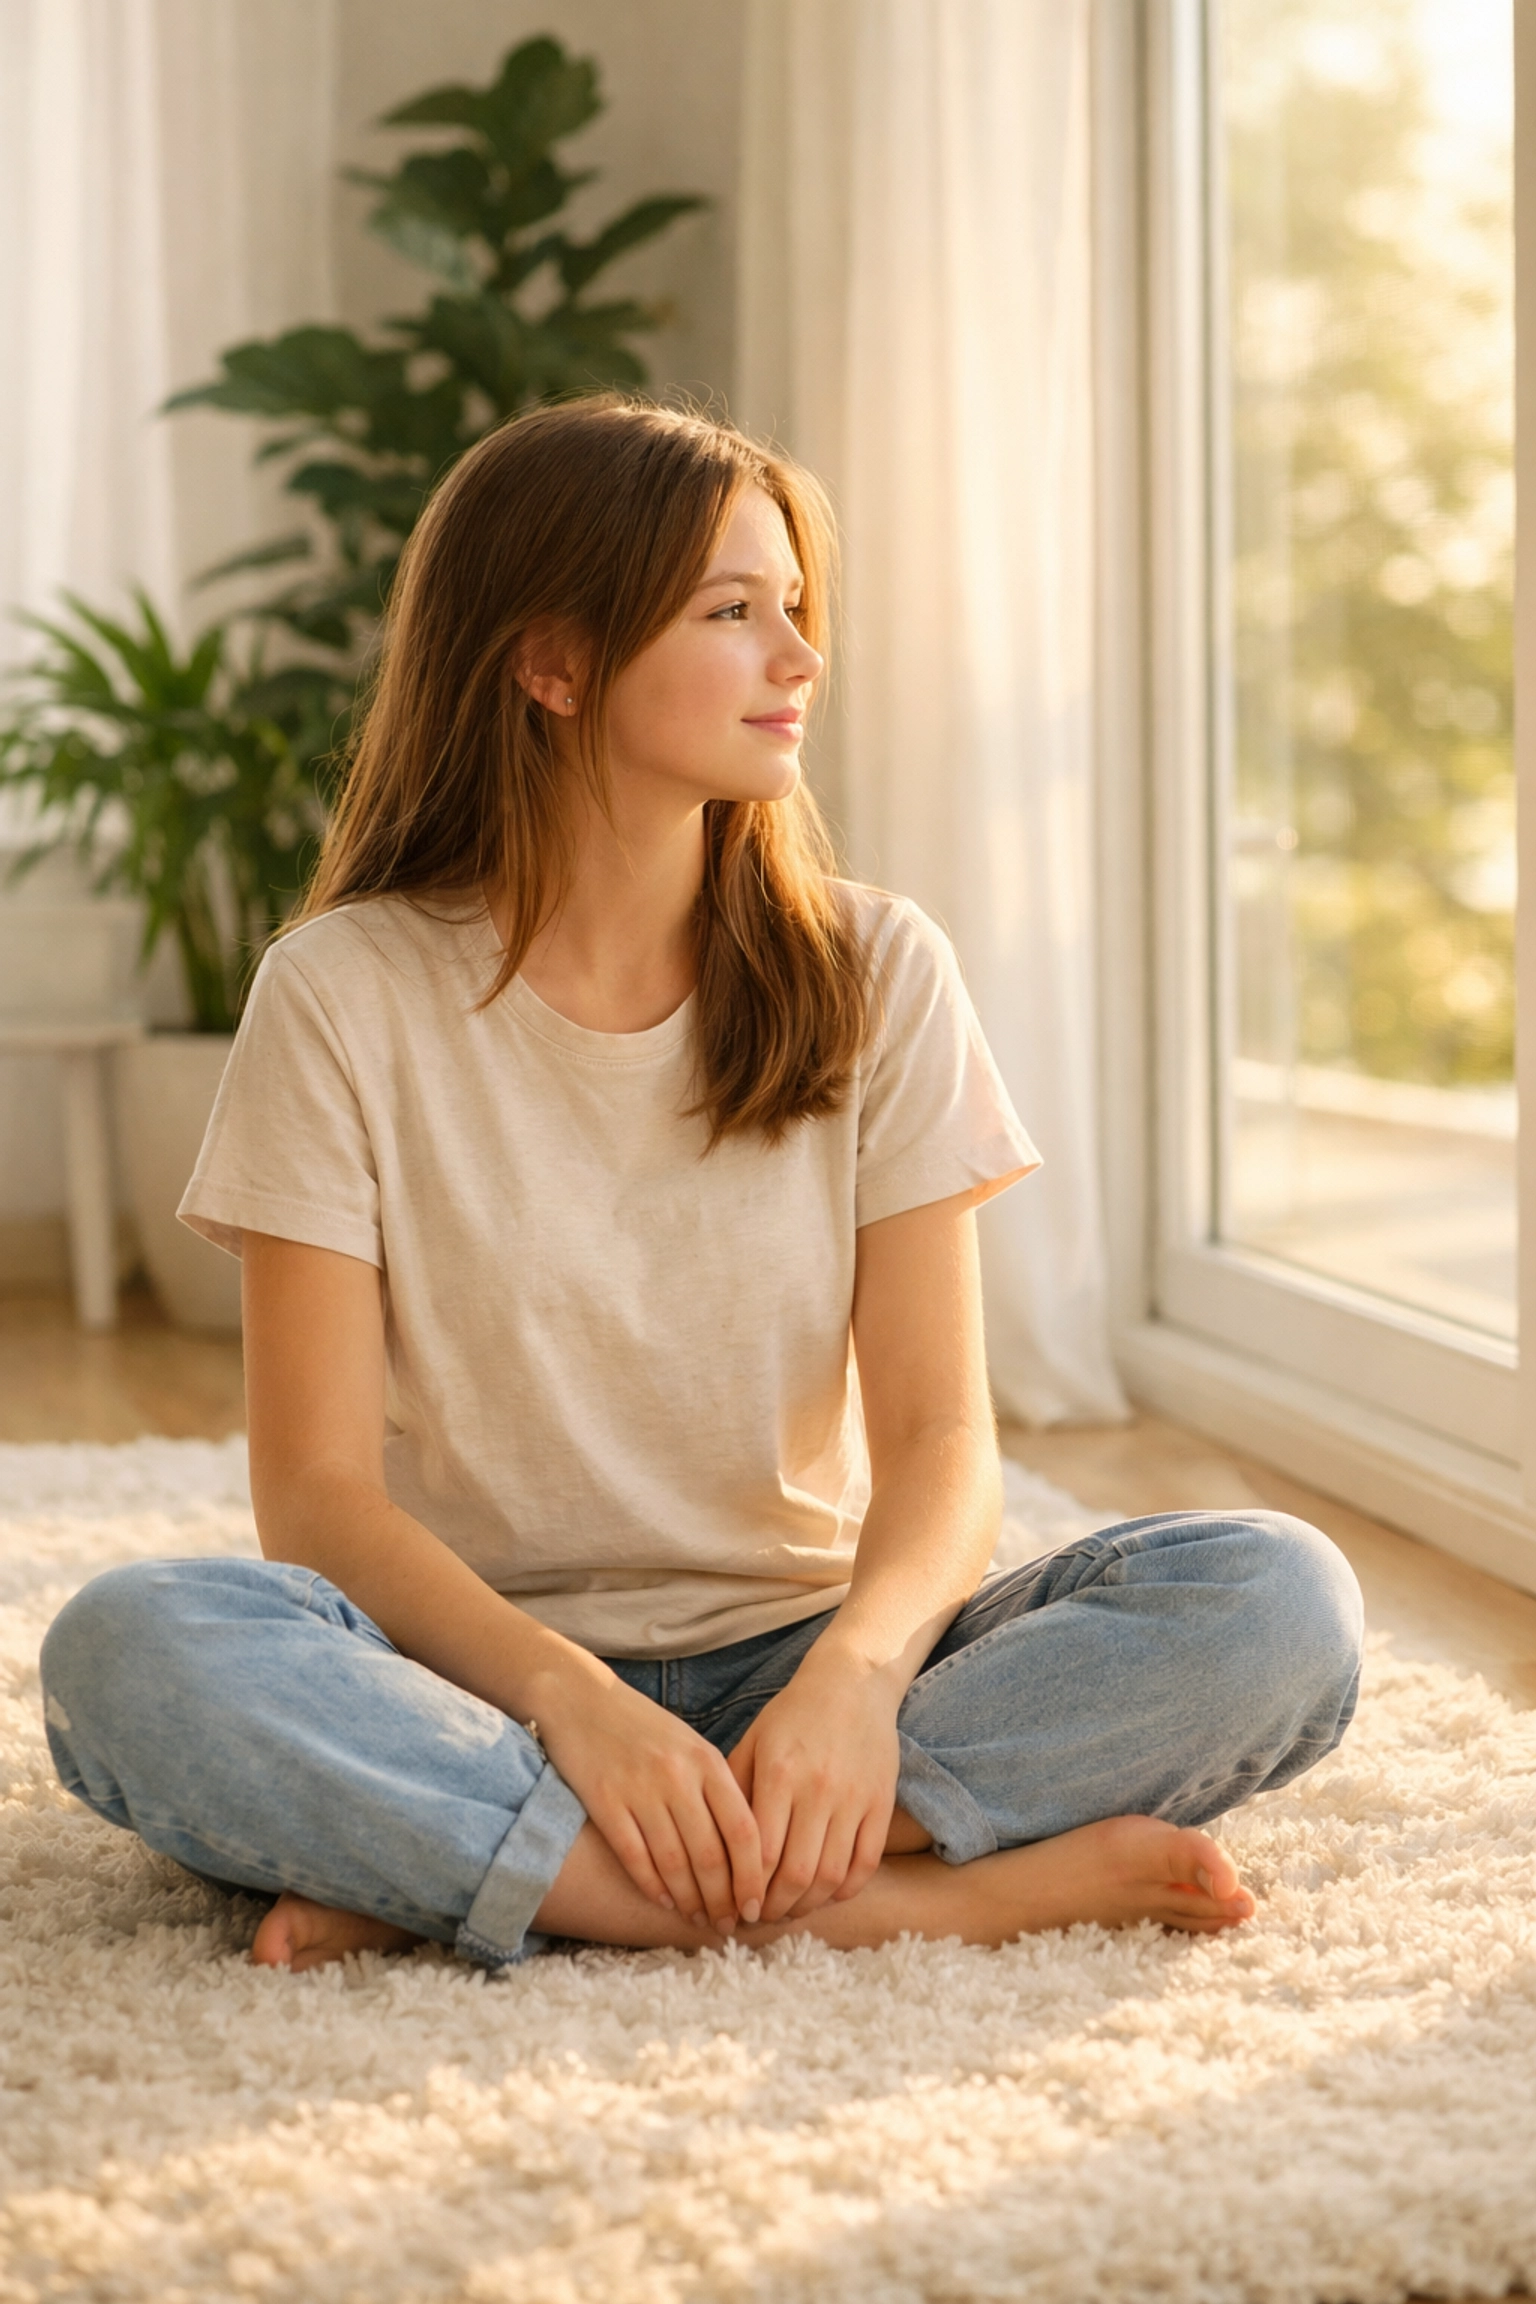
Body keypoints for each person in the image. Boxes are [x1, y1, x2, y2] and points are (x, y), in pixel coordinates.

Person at [39, 399, 1364, 1974]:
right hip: (474, 1671)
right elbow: (316, 1496)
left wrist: (860, 1685)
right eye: (735, 614)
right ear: (552, 664)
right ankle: (908, 1894)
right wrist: (576, 1705)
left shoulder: (878, 969)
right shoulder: (339, 994)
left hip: (803, 1652)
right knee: (127, 1651)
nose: (799, 659)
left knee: (1278, 1600)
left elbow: (941, 1436)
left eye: (795, 611)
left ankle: (495, 1875)